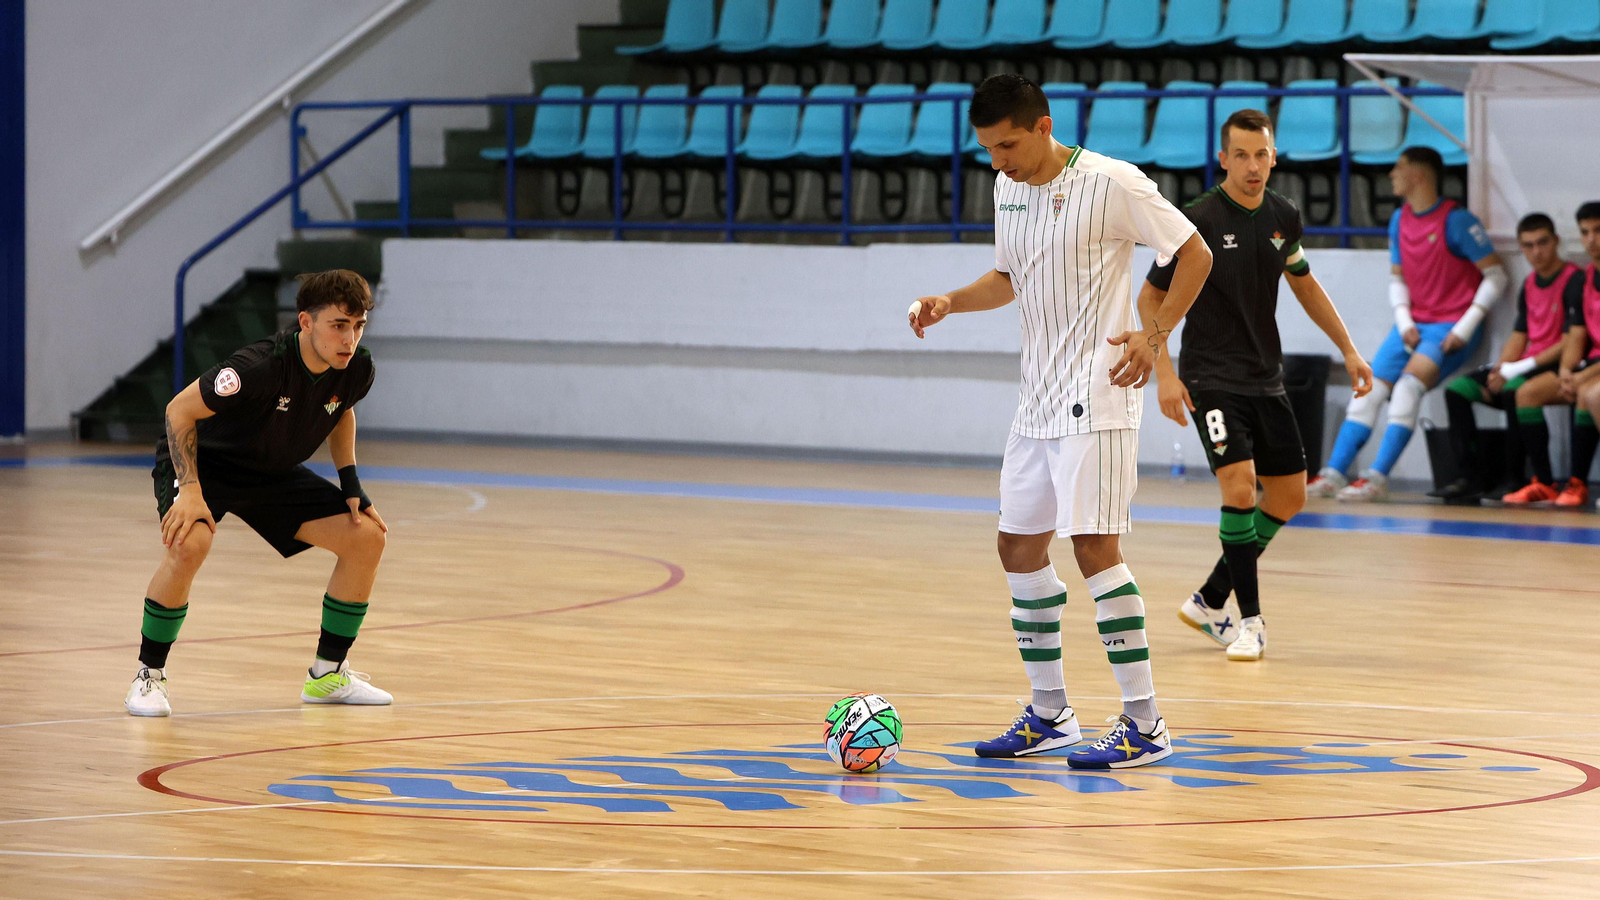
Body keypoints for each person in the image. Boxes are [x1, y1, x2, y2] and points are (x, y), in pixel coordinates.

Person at [908, 75, 1212, 768]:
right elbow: (1009, 278)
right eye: (987, 149)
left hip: (1099, 397)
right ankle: (1051, 714)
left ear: (1044, 126)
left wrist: (1155, 333)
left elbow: (1194, 252)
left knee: (1094, 550)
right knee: (1017, 549)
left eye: (1008, 145)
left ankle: (1145, 723)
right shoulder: (1006, 186)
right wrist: (949, 301)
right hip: (1036, 402)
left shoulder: (1114, 183)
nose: (998, 160)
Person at [1142, 109, 1372, 662]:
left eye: (1261, 154)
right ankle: (1250, 622)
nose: (1252, 166)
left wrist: (1349, 349)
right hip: (1208, 376)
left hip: (1265, 377)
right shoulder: (1192, 219)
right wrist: (1165, 373)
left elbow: (1305, 283)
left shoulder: (1282, 215)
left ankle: (1209, 597)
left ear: (1273, 156)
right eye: (1240, 155)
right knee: (1241, 487)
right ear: (1223, 159)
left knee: (1290, 495)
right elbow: (1150, 296)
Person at [125, 270, 392, 716]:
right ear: (306, 322)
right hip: (206, 462)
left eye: (358, 325)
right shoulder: (259, 366)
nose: (349, 338)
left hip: (270, 470)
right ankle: (148, 677)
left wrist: (352, 485)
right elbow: (178, 411)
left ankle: (327, 675)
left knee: (366, 537)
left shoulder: (356, 367)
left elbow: (339, 411)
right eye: (339, 326)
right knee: (190, 545)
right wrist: (190, 489)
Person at [1307, 147, 1508, 501]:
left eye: (1399, 167)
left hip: (1450, 328)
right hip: (1413, 325)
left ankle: (1377, 479)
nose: (1391, 175)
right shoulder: (1400, 218)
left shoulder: (1456, 220)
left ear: (1419, 175)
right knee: (1367, 391)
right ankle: (1333, 473)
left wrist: (1465, 326)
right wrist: (1403, 321)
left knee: (1406, 391)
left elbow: (1496, 276)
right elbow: (1397, 277)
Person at [1432, 213, 1583, 503]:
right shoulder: (1529, 284)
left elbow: (1570, 341)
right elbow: (1519, 335)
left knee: (1515, 391)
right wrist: (1501, 367)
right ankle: (1469, 478)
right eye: (1527, 246)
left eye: (1542, 243)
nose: (1536, 252)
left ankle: (1518, 479)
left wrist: (1516, 370)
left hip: (1551, 365)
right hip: (1524, 364)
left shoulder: (1573, 279)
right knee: (1457, 391)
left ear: (1556, 242)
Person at [1555, 202, 1600, 508]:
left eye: (1598, 231)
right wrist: (1565, 372)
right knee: (1527, 392)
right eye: (1585, 232)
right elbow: (1577, 335)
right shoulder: (1583, 280)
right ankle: (1570, 484)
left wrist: (1583, 375)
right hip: (1593, 363)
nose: (1591, 240)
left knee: (1593, 394)